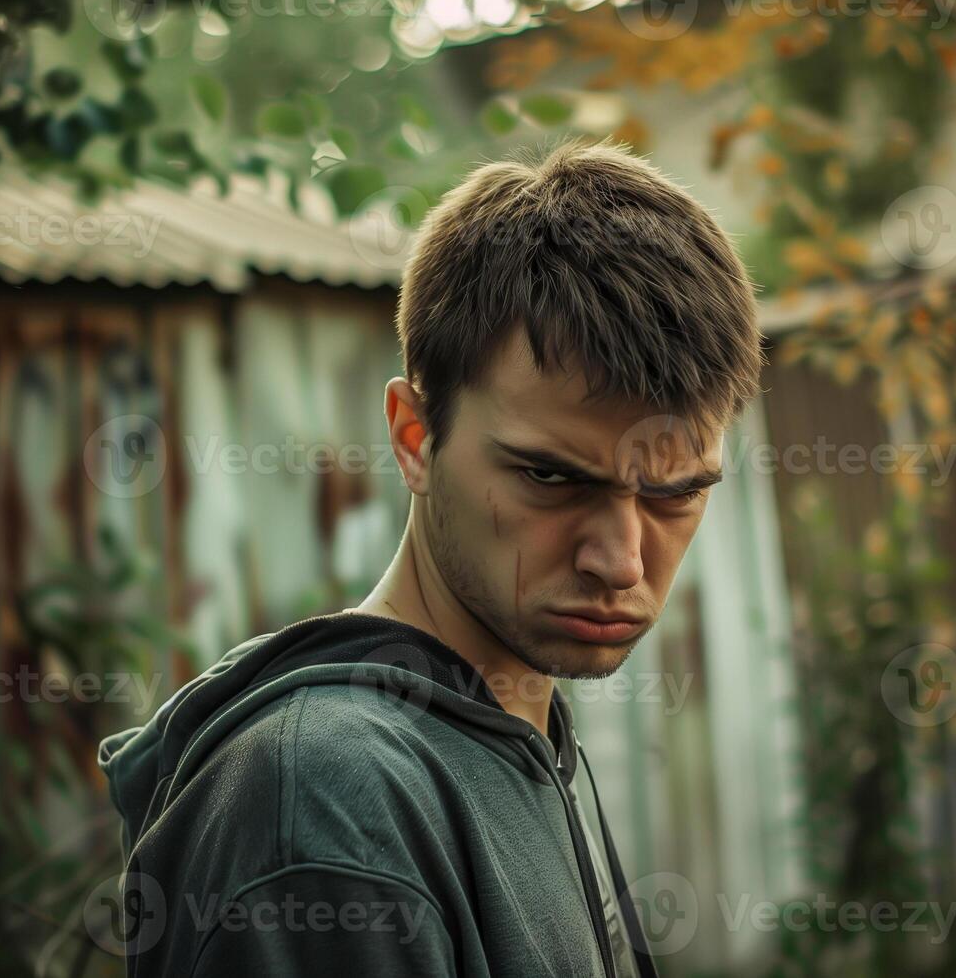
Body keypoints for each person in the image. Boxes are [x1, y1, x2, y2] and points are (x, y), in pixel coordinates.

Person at [98, 139, 763, 976]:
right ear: (415, 436)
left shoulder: (512, 735)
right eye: (552, 476)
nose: (622, 562)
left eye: (674, 493)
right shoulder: (329, 805)